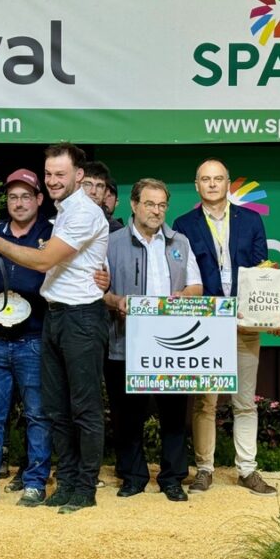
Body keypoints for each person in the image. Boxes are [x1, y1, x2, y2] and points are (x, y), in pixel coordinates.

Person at [0, 142, 109, 514]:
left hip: (82, 317)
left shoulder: (83, 211)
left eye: (60, 174)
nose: (52, 180)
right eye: (49, 174)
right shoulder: (64, 212)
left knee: (84, 408)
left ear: (78, 176)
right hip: (56, 316)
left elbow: (42, 261)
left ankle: (85, 487)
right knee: (57, 409)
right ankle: (66, 481)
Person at [172, 158, 277, 496]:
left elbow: (263, 268)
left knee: (244, 401)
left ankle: (248, 469)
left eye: (218, 179)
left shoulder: (251, 220)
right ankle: (204, 468)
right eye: (206, 179)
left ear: (228, 183)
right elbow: (182, 274)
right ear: (197, 185)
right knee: (206, 402)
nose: (213, 184)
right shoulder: (184, 224)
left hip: (245, 321)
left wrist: (268, 312)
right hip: (206, 323)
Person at [103, 178, 201, 502]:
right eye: (149, 203)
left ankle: (172, 478)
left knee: (174, 415)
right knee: (128, 414)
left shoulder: (180, 243)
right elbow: (97, 290)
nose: (156, 211)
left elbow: (196, 287)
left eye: (161, 205)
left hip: (171, 344)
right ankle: (133, 476)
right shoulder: (111, 242)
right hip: (125, 342)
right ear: (133, 205)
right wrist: (116, 302)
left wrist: (182, 294)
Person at [0, 168, 53, 507]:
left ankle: (35, 483)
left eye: (26, 196)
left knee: (37, 414)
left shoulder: (51, 235)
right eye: (13, 197)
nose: (19, 203)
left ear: (39, 199)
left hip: (35, 338)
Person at [83, 161, 123, 232]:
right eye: (88, 184)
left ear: (106, 192)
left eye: (99, 186)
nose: (93, 191)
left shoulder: (116, 230)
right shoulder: (61, 219)